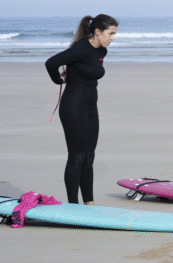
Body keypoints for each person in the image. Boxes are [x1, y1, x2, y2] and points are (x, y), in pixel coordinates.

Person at [44, 14, 119, 205]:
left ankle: (89, 203)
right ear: (97, 32)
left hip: (91, 108)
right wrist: (59, 80)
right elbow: (51, 62)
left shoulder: (102, 51)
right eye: (110, 33)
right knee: (76, 156)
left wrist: (73, 72)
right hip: (73, 107)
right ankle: (73, 205)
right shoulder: (81, 48)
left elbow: (85, 70)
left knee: (89, 157)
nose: (112, 38)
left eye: (114, 34)